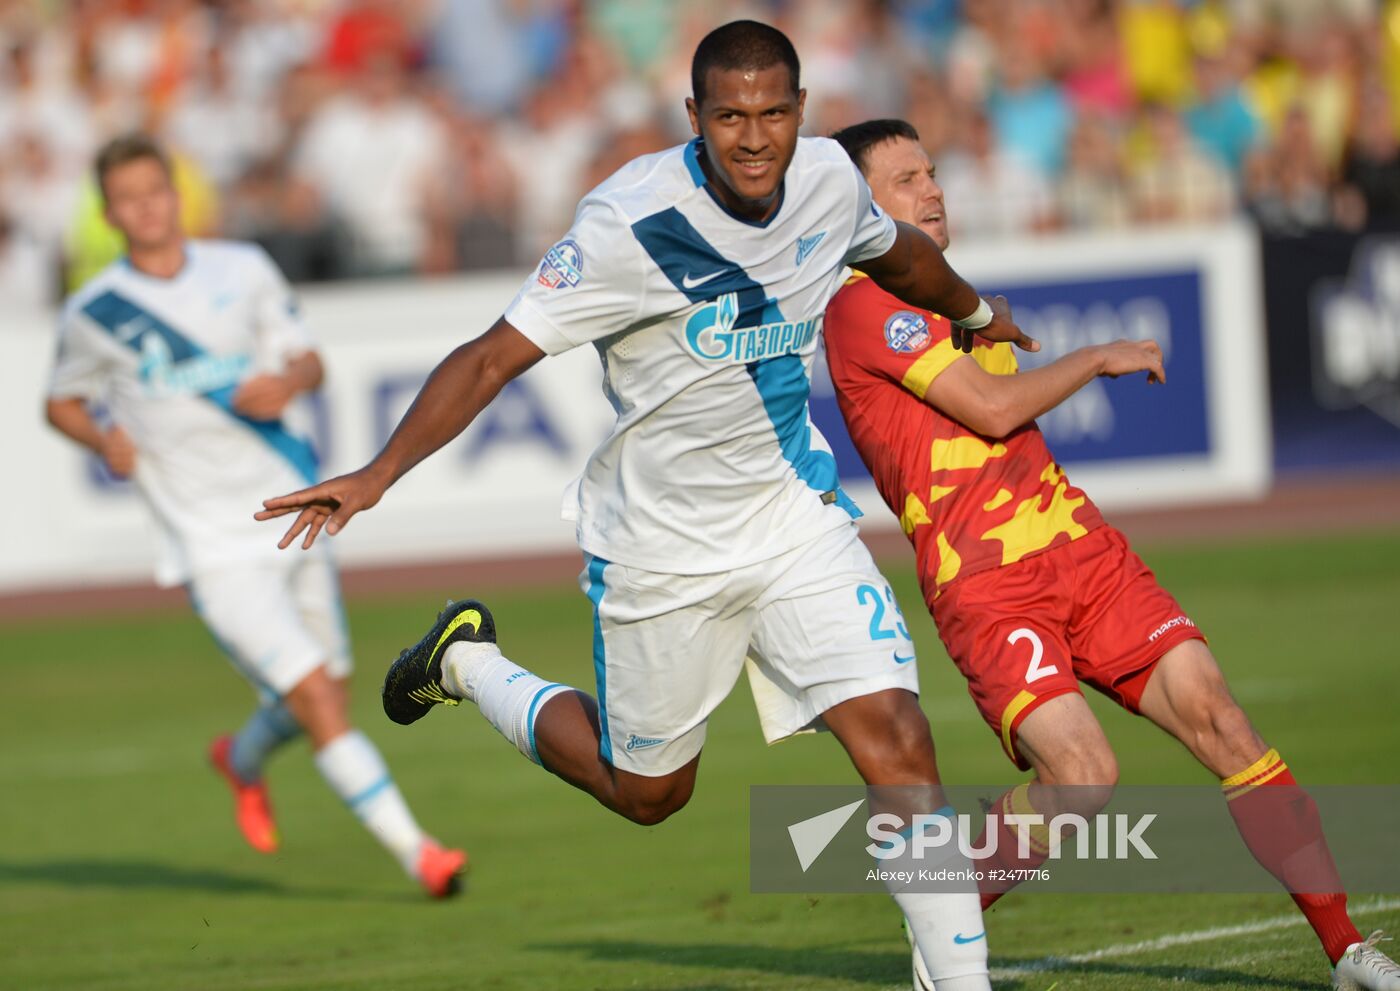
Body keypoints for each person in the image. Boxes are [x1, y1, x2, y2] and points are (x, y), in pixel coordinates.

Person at [257, 21, 1037, 990]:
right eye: (728, 117)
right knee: (648, 792)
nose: (751, 139)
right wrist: (378, 472)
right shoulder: (626, 223)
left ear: (798, 112)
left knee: (895, 735)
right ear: (693, 118)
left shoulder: (832, 180)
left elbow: (900, 257)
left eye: (770, 115)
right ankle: (467, 663)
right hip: (660, 549)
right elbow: (493, 355)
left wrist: (969, 312)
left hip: (793, 516)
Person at [822, 117, 1400, 991]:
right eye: (906, 180)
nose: (933, 189)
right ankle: (950, 912)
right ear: (858, 207)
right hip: (988, 586)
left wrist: (987, 319)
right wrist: (1091, 357)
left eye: (933, 171)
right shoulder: (861, 305)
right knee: (1084, 776)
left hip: (1083, 549)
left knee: (1221, 717)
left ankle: (1346, 950)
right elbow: (988, 410)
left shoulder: (951, 297)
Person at [45, 134, 466, 899]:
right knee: (314, 696)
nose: (146, 207)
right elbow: (59, 400)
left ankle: (239, 759)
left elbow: (309, 359)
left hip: (292, 506)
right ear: (110, 214)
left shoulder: (242, 270)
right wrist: (101, 434)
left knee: (326, 691)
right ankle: (421, 854)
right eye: (128, 199)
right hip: (210, 543)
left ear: (176, 194)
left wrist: (287, 381)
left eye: (156, 190)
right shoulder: (94, 311)